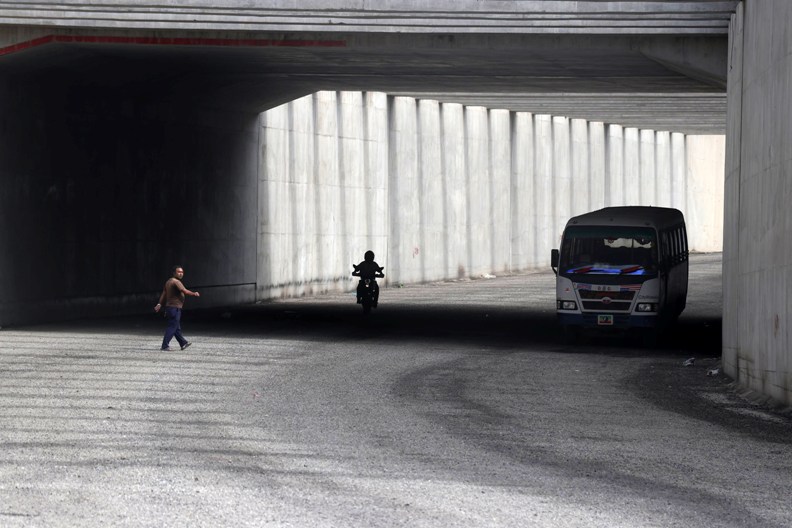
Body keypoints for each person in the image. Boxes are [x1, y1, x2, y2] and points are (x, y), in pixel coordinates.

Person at [154, 266, 200, 351]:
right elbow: (184, 291)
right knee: (172, 327)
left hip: (170, 308)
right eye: (179, 272)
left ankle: (183, 343)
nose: (181, 273)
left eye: (182, 272)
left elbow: (164, 293)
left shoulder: (168, 281)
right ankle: (165, 346)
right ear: (174, 273)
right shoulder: (176, 282)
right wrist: (194, 293)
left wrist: (159, 304)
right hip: (174, 308)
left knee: (176, 328)